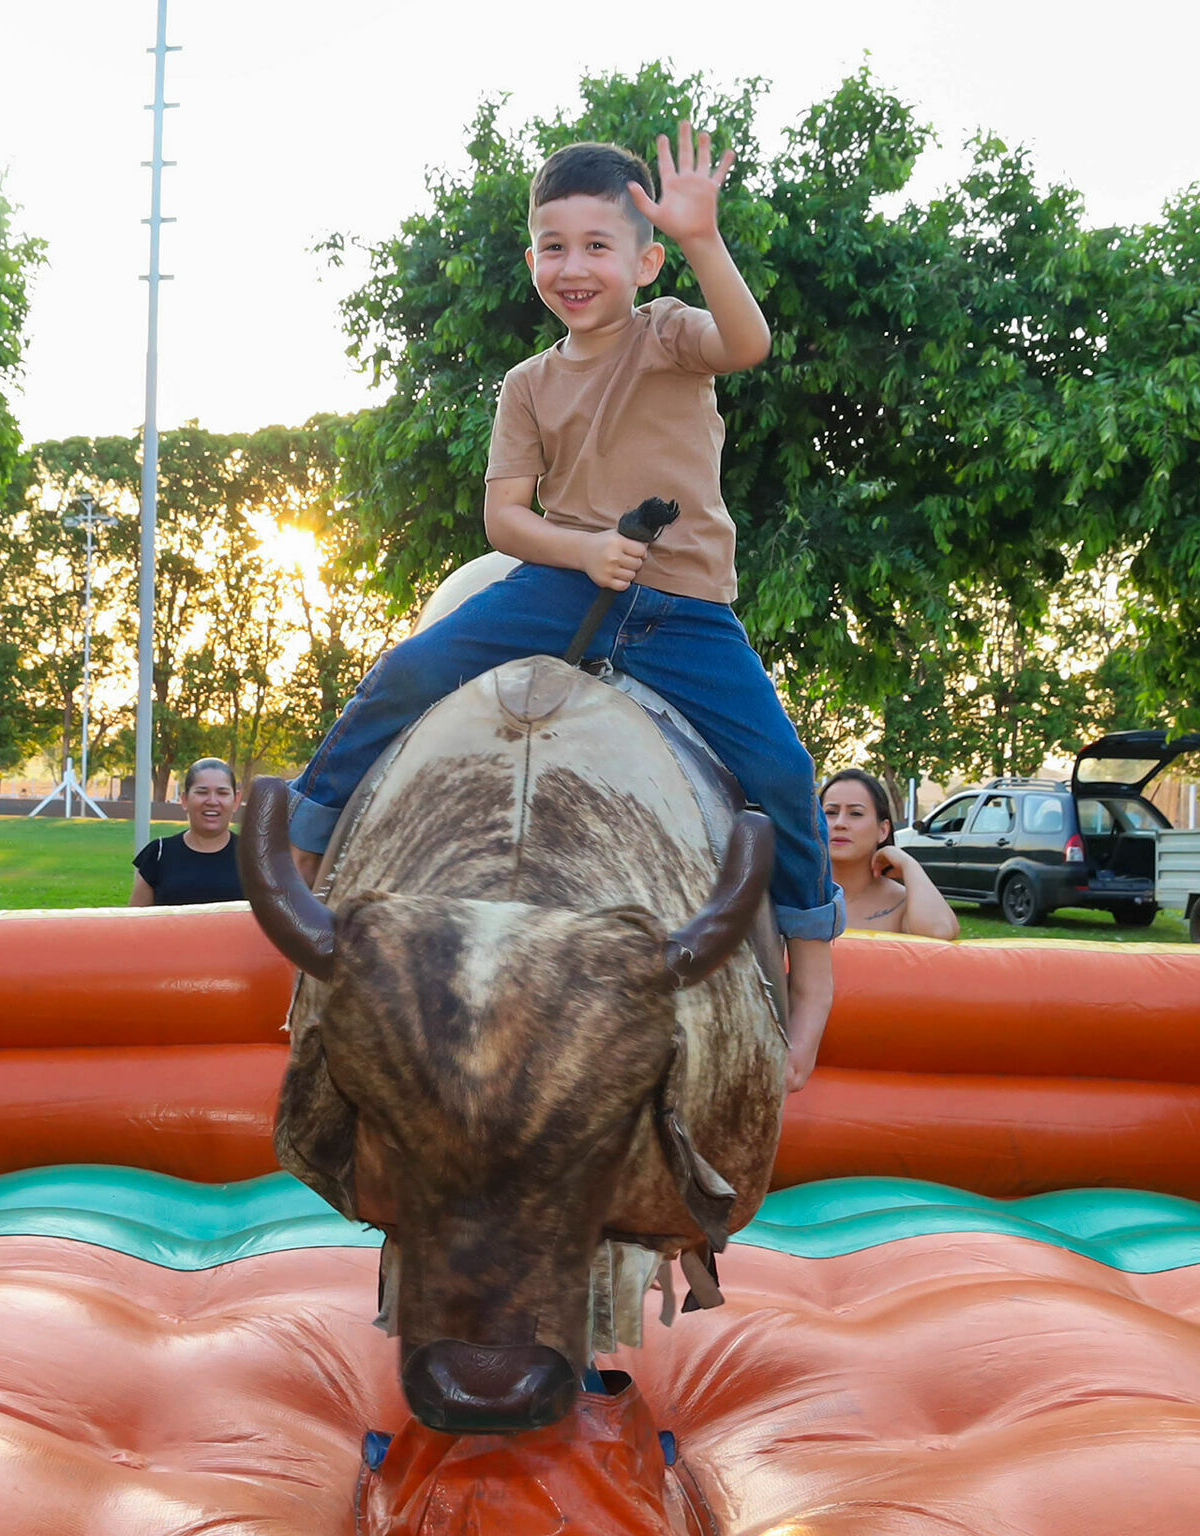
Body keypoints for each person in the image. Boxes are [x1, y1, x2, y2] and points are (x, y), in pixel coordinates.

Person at [284, 124, 841, 1093]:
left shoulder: (670, 330)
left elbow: (747, 343)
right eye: (553, 246)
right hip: (559, 587)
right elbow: (504, 516)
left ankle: (815, 969)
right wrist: (582, 549)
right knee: (403, 675)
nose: (573, 266)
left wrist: (707, 242)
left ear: (644, 258)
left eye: (597, 246)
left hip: (681, 607)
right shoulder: (526, 385)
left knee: (785, 771)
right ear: (531, 255)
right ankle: (301, 866)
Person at [820, 770, 959, 940]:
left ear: (883, 830)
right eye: (831, 812)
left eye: (855, 813)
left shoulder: (903, 905)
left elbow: (940, 933)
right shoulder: (797, 895)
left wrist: (908, 864)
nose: (840, 823)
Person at [130, 758, 245, 907]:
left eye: (222, 793)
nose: (212, 801)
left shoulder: (255, 857)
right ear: (184, 799)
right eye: (202, 792)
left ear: (236, 801)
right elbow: (136, 922)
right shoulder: (159, 854)